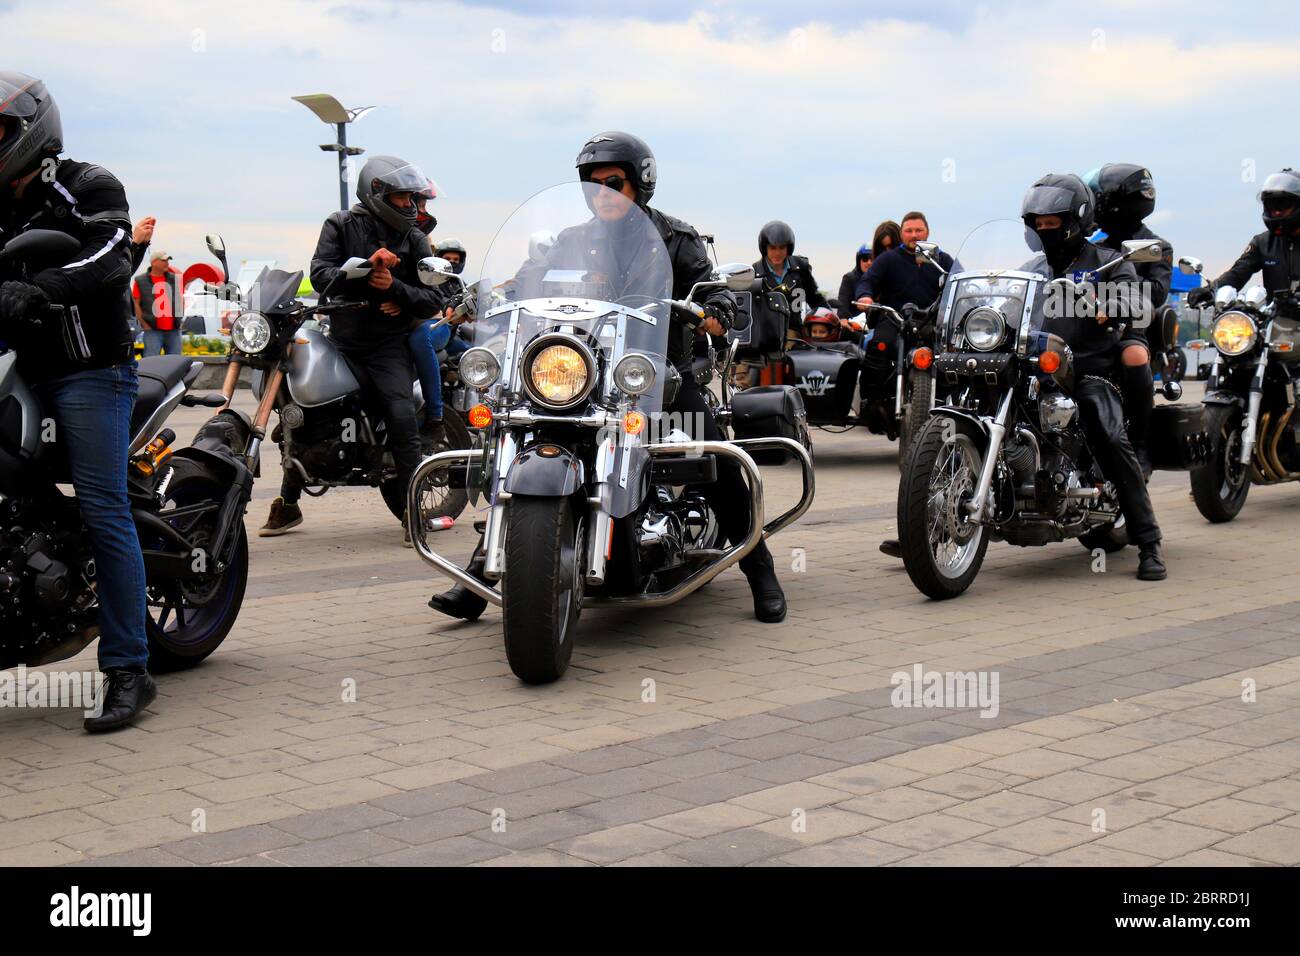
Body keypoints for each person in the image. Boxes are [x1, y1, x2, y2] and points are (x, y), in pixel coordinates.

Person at [428, 130, 787, 624]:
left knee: (715, 455)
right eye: (592, 185)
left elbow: (711, 291)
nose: (603, 193)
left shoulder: (676, 239)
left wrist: (714, 310)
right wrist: (481, 295)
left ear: (640, 183)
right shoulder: (573, 240)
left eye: (612, 182)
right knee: (521, 438)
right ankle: (484, 568)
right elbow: (528, 276)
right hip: (583, 370)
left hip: (655, 373)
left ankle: (760, 570)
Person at [0, 71, 155, 731]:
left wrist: (42, 286)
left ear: (30, 129)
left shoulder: (88, 184)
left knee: (101, 507)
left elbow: (113, 255)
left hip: (88, 370)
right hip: (18, 367)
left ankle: (128, 669)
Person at [260, 154, 446, 542]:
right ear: (377, 193)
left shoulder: (412, 237)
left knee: (399, 415)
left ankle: (413, 516)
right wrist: (365, 267)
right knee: (295, 412)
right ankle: (288, 503)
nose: (410, 205)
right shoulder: (341, 224)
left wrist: (393, 286)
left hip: (386, 347)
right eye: (401, 197)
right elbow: (321, 272)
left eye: (412, 197)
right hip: (339, 340)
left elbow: (433, 299)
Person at [1022, 173, 1165, 581]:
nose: (1044, 230)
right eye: (1037, 223)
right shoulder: (1033, 268)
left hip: (1088, 370)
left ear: (1076, 219)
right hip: (1034, 369)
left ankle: (1149, 542)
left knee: (1108, 434)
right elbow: (1002, 296)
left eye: (1052, 223)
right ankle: (925, 524)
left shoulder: (1108, 260)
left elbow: (1137, 301)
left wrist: (1114, 303)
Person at [1088, 163, 1173, 477]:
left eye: (1100, 198)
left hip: (1129, 325)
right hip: (1085, 324)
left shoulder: (1156, 246)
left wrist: (1116, 297)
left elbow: (1159, 293)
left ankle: (1140, 443)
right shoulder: (1093, 244)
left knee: (1134, 356)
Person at [1188, 168, 1300, 307]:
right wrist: (1210, 291)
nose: (1276, 212)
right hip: (1274, 321)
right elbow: (1237, 273)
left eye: (1283, 205)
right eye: (1272, 206)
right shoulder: (1263, 243)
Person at [854, 211, 952, 315]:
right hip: (894, 321)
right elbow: (867, 280)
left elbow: (962, 283)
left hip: (934, 322)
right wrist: (864, 296)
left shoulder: (943, 259)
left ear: (927, 232)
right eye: (908, 231)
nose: (914, 235)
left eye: (918, 230)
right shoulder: (887, 258)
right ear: (901, 234)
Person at [754, 220, 826, 330]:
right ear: (765, 248)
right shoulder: (754, 273)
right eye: (773, 248)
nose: (777, 253)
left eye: (782, 248)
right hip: (765, 334)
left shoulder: (801, 268)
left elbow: (815, 299)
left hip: (795, 331)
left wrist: (834, 318)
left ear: (789, 248)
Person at [133, 248, 183, 356]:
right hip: (152, 330)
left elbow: (180, 299)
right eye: (163, 261)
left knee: (176, 364)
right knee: (151, 364)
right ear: (154, 262)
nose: (167, 263)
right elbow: (136, 303)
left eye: (167, 260)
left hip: (174, 330)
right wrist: (145, 324)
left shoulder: (175, 279)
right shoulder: (140, 280)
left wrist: (180, 319)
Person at [836, 244, 872, 321]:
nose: (869, 262)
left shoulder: (884, 280)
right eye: (865, 258)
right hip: (855, 324)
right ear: (859, 260)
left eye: (873, 258)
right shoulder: (849, 278)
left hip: (879, 324)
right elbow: (843, 303)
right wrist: (843, 319)